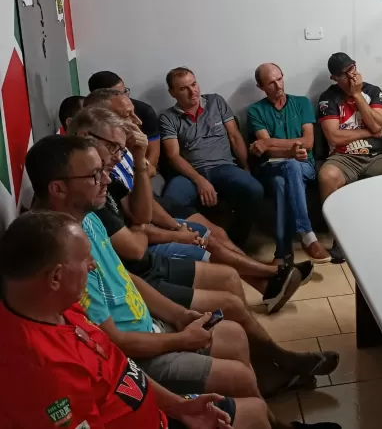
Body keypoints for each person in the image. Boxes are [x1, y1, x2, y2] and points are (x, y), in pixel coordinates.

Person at [26, 134, 339, 401]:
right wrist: (180, 339)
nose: (106, 177)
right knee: (233, 344)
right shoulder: (62, 254)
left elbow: (127, 272)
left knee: (228, 305)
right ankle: (265, 387)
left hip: (148, 315)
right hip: (136, 351)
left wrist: (178, 315)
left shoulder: (87, 217)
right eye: (95, 174)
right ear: (58, 189)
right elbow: (113, 340)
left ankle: (272, 368)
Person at [0, 211, 249, 429]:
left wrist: (179, 407)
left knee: (253, 409)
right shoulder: (44, 373)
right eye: (85, 260)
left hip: (161, 411)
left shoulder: (59, 306)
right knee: (248, 406)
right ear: (56, 277)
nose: (93, 265)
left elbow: (122, 368)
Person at [85, 88, 301, 292]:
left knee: (218, 231)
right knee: (205, 237)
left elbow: (147, 183)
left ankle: (267, 282)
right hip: (167, 194)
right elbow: (139, 216)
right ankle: (272, 275)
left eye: (193, 84)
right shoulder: (105, 164)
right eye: (127, 115)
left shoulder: (123, 150)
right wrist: (177, 227)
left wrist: (175, 227)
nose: (138, 122)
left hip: (159, 199)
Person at [317, 52, 382, 261]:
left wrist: (357, 95)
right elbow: (334, 136)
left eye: (352, 68)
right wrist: (368, 131)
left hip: (375, 156)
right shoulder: (328, 97)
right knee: (327, 176)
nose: (352, 76)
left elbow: (378, 126)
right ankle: (339, 239)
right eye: (344, 74)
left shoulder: (372, 91)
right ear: (334, 78)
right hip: (342, 157)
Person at [160, 67, 264, 247]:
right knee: (168, 204)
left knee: (254, 190)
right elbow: (173, 156)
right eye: (184, 88)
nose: (192, 91)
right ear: (172, 93)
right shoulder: (167, 117)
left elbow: (234, 136)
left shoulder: (216, 102)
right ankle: (197, 244)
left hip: (224, 167)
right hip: (190, 174)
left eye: (194, 84)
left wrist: (246, 167)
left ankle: (236, 242)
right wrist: (200, 181)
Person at [248, 63, 331, 264]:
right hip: (272, 166)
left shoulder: (301, 103)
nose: (278, 85)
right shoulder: (255, 111)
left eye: (279, 79)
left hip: (304, 164)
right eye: (271, 82)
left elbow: (308, 142)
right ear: (261, 86)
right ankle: (307, 236)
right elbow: (268, 151)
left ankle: (283, 253)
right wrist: (289, 149)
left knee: (287, 172)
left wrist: (270, 142)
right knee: (282, 176)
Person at [88, 71, 161, 169]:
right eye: (117, 94)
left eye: (125, 92)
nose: (137, 121)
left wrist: (141, 165)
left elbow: (153, 156)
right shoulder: (90, 123)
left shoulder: (144, 110)